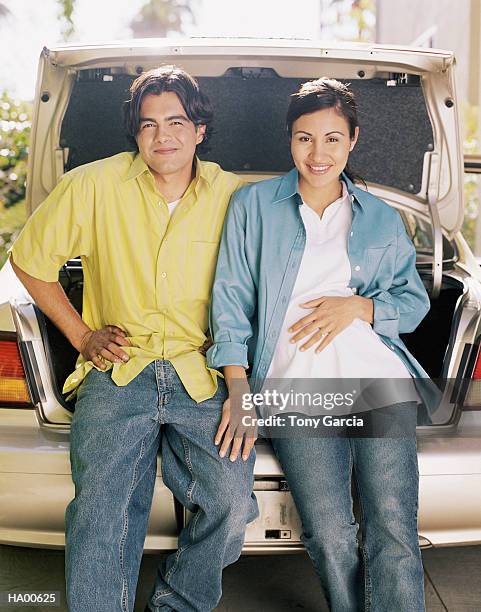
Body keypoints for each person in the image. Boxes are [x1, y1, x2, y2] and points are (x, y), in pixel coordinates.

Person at [10, 65, 258, 612]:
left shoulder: (234, 196)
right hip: (119, 369)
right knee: (101, 512)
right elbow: (28, 261)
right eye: (148, 126)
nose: (162, 136)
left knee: (232, 503)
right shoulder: (93, 185)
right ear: (136, 134)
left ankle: (177, 603)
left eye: (176, 122)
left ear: (200, 129)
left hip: (203, 371)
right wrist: (79, 334)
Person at [207, 77, 430, 611]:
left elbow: (414, 301)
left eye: (332, 138)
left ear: (353, 140)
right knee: (329, 530)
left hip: (377, 382)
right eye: (305, 138)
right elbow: (230, 301)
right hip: (293, 387)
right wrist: (239, 388)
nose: (318, 152)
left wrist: (360, 307)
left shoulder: (380, 215)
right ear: (289, 140)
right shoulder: (253, 206)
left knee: (393, 526)